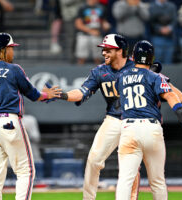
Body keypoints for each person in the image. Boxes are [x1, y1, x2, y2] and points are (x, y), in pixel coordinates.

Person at [0, 32, 61, 200]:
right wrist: (47, 95)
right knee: (25, 170)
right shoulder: (13, 69)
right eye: (11, 48)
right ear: (3, 50)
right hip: (8, 121)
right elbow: (33, 94)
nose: (13, 52)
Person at [57, 33, 140, 200]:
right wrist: (63, 95)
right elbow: (81, 92)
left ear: (120, 50)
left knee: (130, 167)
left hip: (136, 121)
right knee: (94, 160)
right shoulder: (99, 71)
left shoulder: (138, 68)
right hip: (113, 119)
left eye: (108, 49)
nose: (103, 53)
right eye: (103, 50)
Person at [115, 40, 182, 200]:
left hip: (129, 129)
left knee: (125, 179)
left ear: (133, 56)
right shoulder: (155, 76)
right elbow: (170, 94)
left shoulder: (121, 77)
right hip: (151, 129)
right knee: (157, 181)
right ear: (151, 58)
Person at [74, 0, 110, 65]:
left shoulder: (101, 8)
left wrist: (105, 25)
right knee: (81, 57)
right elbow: (78, 24)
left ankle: (98, 73)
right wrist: (90, 31)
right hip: (84, 35)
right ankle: (78, 72)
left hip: (97, 33)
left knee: (98, 57)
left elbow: (103, 21)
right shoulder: (82, 7)